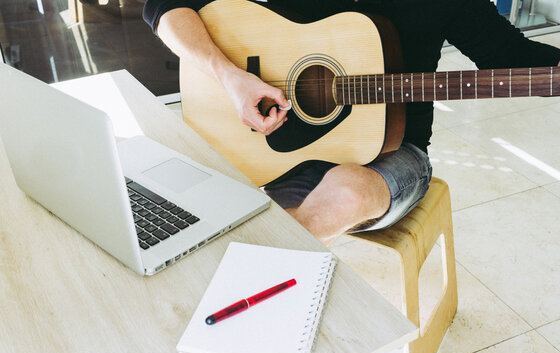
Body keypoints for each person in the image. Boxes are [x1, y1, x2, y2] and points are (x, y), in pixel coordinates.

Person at [142, 0, 560, 246]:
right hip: (282, 150)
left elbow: (510, 57)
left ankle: (263, 266)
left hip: (392, 155)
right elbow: (163, 6)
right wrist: (231, 78)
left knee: (342, 193)